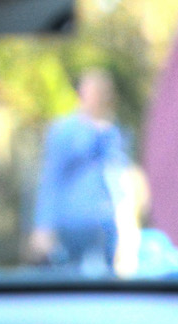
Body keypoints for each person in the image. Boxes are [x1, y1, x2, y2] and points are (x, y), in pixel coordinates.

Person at [30, 69, 132, 275]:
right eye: (91, 91)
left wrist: (127, 225)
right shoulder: (64, 130)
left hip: (105, 227)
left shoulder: (112, 134)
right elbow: (51, 179)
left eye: (101, 92)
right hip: (71, 227)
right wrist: (43, 226)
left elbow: (119, 180)